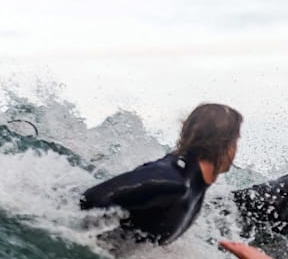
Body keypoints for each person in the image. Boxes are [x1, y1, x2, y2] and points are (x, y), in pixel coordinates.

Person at [79, 103, 242, 246]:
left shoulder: (193, 183)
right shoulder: (171, 181)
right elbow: (90, 199)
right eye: (236, 141)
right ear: (225, 145)